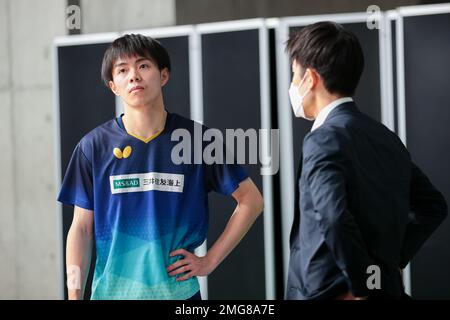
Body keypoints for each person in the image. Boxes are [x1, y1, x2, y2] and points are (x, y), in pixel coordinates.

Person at [58, 34, 264, 300]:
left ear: (163, 75)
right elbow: (81, 229)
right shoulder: (92, 148)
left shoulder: (199, 141)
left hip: (179, 295)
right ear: (113, 86)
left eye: (143, 66)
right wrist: (74, 296)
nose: (134, 76)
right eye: (122, 70)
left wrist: (209, 261)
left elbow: (252, 201)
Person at [285, 21, 448, 300]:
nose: (292, 85)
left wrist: (361, 284)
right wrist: (383, 267)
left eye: (293, 75)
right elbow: (433, 206)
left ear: (310, 78)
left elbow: (334, 217)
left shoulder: (321, 140)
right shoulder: (385, 138)